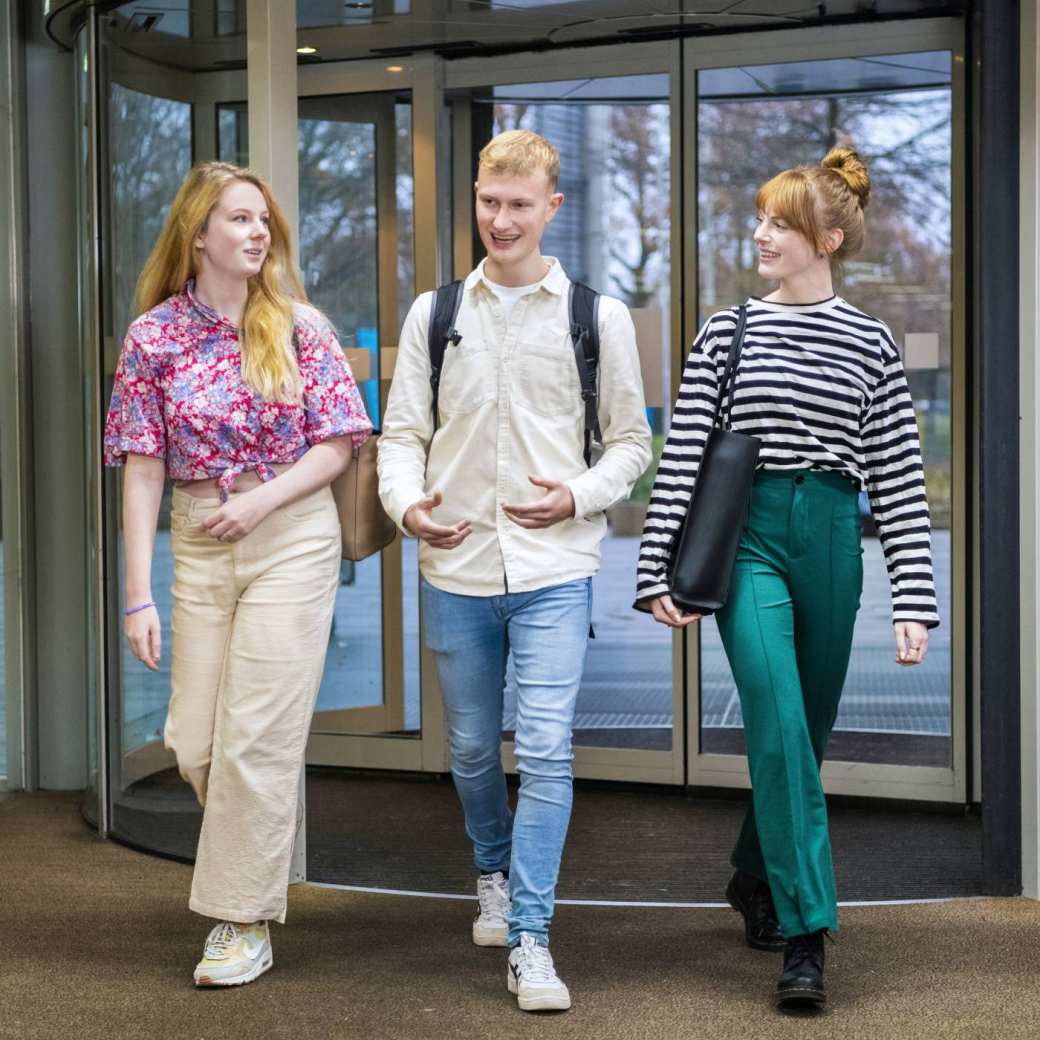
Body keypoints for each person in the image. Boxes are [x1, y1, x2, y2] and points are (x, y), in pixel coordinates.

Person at [635, 147, 939, 1009]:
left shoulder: (871, 342)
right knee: (775, 718)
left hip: (835, 536)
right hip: (752, 540)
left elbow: (901, 478)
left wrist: (913, 597)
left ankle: (750, 874)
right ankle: (808, 933)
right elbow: (685, 456)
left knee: (799, 732)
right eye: (761, 218)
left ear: (829, 238)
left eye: (782, 223)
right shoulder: (728, 332)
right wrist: (658, 566)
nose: (761, 233)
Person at [378, 129, 652, 1012]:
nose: (503, 220)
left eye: (520, 205)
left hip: (555, 569)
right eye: (490, 203)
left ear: (551, 207)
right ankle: (490, 870)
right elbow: (402, 437)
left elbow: (632, 445)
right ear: (476, 200)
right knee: (467, 750)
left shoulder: (596, 317)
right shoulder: (435, 313)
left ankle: (531, 934)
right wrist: (405, 506)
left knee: (544, 751)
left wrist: (574, 497)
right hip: (456, 567)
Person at [103, 161, 372, 987]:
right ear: (198, 236)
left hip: (290, 530)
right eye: (239, 220)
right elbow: (142, 467)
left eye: (263, 221)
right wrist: (136, 594)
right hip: (197, 538)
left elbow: (339, 443)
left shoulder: (298, 326)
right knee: (191, 737)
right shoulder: (154, 338)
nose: (258, 232)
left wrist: (262, 505)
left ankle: (238, 921)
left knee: (256, 736)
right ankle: (255, 859)